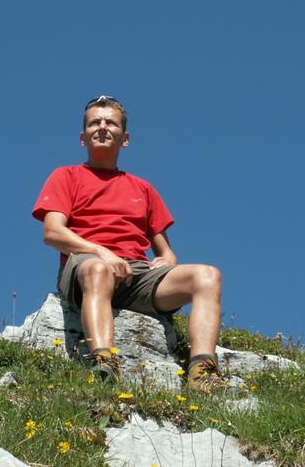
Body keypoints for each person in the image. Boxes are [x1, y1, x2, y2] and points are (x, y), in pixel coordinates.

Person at [32, 95, 225, 392]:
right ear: (83, 138)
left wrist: (167, 261)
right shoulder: (66, 176)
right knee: (98, 269)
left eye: (111, 123)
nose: (102, 127)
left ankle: (202, 372)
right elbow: (53, 233)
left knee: (207, 276)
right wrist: (100, 252)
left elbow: (166, 252)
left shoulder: (142, 188)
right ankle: (104, 363)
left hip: (136, 273)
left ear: (125, 138)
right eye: (94, 123)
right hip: (86, 263)